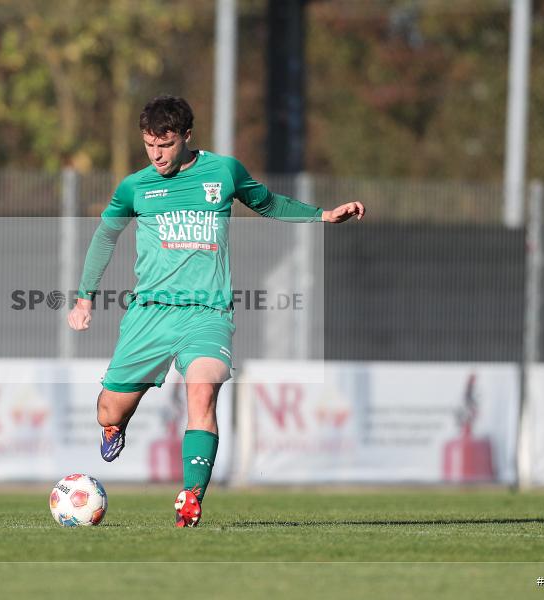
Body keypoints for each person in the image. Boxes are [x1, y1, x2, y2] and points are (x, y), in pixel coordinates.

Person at [67, 95, 364, 527]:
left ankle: (191, 497)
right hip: (150, 313)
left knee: (202, 392)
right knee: (108, 410)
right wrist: (84, 296)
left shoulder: (224, 171)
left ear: (187, 136)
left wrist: (323, 215)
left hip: (208, 312)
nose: (156, 154)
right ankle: (116, 426)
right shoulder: (136, 186)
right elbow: (105, 236)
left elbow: (268, 202)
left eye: (165, 145)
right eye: (149, 144)